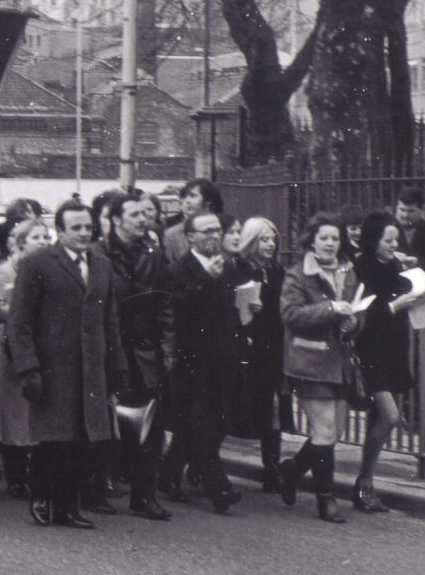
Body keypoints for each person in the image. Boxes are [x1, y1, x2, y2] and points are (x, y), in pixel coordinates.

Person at [8, 200, 128, 529]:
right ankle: (42, 497)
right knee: (53, 440)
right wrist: (28, 368)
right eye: (75, 227)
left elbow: (110, 320)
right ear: (59, 231)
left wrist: (117, 367)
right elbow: (19, 322)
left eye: (87, 227)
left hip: (91, 369)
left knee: (80, 439)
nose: (82, 233)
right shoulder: (38, 263)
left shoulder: (101, 265)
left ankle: (67, 507)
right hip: (52, 367)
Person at [277, 212, 363, 524]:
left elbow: (356, 313)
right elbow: (291, 315)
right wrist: (330, 309)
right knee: (324, 430)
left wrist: (354, 322)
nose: (329, 243)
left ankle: (292, 470)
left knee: (333, 431)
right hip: (309, 362)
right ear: (312, 240)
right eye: (323, 237)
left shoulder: (348, 272)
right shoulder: (298, 275)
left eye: (334, 238)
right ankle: (326, 501)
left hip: (339, 362)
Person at [93, 193, 174, 521]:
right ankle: (96, 488)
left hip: (144, 352)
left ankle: (144, 496)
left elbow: (166, 305)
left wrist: (168, 348)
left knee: (148, 425)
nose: (143, 220)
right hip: (108, 349)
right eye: (135, 215)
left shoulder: (154, 254)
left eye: (145, 214)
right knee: (104, 421)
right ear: (116, 220)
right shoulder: (97, 254)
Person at [159, 211, 244, 515]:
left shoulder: (228, 267)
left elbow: (228, 312)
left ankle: (168, 477)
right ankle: (218, 486)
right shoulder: (177, 270)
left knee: (204, 423)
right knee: (200, 423)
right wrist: (205, 279)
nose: (214, 236)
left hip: (222, 357)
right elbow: (179, 310)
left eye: (217, 231)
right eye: (206, 232)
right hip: (191, 358)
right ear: (190, 236)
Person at [352, 211, 416, 514]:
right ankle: (364, 482)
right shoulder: (360, 268)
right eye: (387, 240)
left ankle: (365, 487)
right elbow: (359, 315)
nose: (393, 245)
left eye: (396, 239)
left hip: (393, 350)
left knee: (377, 419)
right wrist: (393, 306)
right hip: (369, 351)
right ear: (373, 240)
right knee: (389, 416)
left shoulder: (395, 266)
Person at [0, 218, 49, 499]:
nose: (44, 241)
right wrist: (23, 315)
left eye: (46, 237)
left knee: (35, 410)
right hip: (12, 348)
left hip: (41, 347)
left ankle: (35, 471)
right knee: (12, 413)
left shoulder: (50, 269)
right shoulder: (4, 271)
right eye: (37, 237)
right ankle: (15, 475)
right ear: (21, 241)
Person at [232, 217, 289, 492]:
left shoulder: (277, 270)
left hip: (272, 346)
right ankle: (201, 463)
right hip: (246, 347)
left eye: (272, 239)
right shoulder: (239, 269)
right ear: (252, 241)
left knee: (274, 407)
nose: (270, 244)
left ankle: (272, 468)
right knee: (234, 407)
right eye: (264, 239)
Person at [162, 179, 223, 264]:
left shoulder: (224, 228)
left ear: (207, 203)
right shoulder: (172, 235)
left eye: (193, 196)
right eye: (185, 196)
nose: (187, 201)